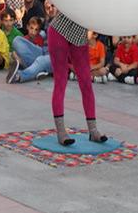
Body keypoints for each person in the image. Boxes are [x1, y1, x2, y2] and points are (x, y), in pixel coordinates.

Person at [45, 12, 107, 145]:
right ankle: (61, 131)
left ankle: (93, 130)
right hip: (59, 32)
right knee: (61, 81)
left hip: (79, 38)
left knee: (86, 82)